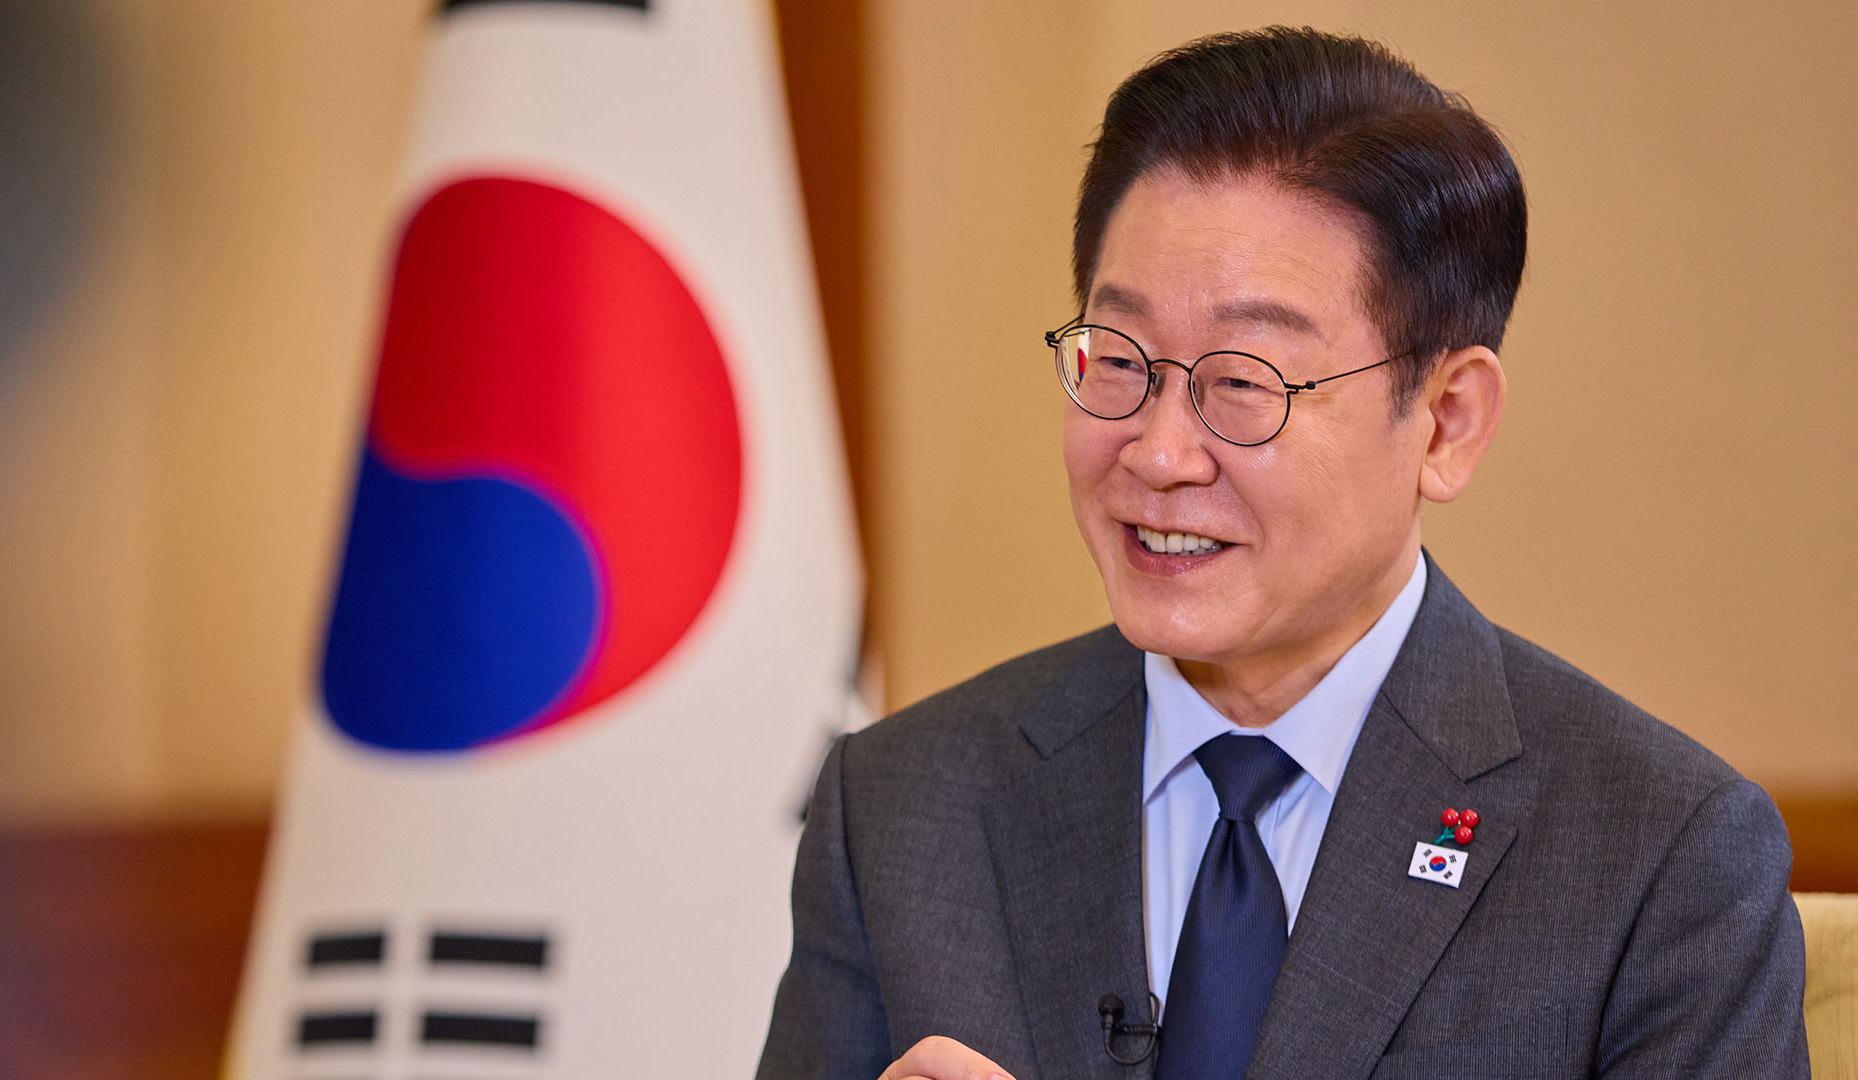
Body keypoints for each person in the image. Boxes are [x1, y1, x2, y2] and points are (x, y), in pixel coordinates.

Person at [756, 26, 1807, 1080]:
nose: (1159, 452)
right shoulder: (901, 808)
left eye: (1244, 381)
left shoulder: (1661, 859)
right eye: (1118, 359)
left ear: (1447, 421)